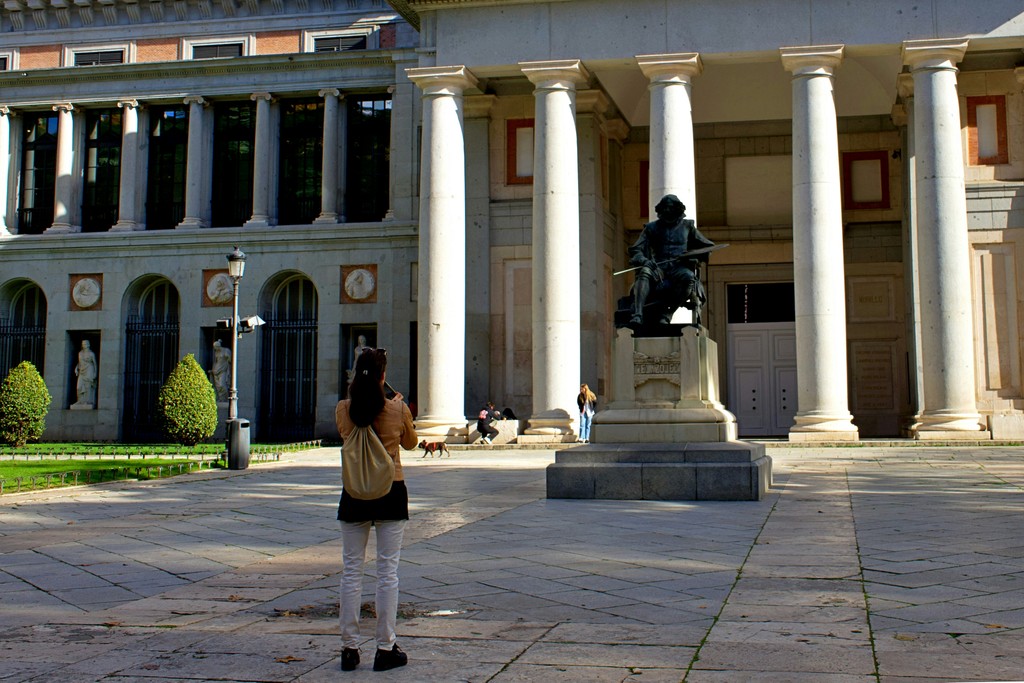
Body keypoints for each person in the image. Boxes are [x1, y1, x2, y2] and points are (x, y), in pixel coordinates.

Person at [335, 347, 417, 672]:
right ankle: (385, 647)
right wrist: (401, 409)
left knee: (351, 572)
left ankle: (348, 648)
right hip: (390, 490)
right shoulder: (396, 408)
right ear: (383, 376)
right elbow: (410, 443)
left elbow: (349, 431)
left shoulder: (344, 409)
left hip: (354, 492)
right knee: (387, 573)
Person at [627, 194, 716, 328]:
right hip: (658, 268)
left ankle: (667, 314)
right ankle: (638, 315)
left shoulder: (688, 226)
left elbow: (707, 246)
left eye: (671, 208)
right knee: (644, 272)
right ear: (660, 210)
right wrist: (644, 260)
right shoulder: (651, 228)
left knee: (689, 277)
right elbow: (636, 249)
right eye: (665, 208)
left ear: (677, 209)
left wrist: (692, 256)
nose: (668, 211)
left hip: (679, 268)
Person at [74, 340, 97, 406]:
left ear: (88, 345)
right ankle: (80, 401)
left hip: (89, 369)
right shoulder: (80, 353)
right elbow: (79, 362)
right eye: (83, 344)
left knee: (88, 386)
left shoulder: (91, 354)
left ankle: (87, 401)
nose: (84, 345)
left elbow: (95, 363)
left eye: (86, 344)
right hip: (82, 370)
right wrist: (76, 368)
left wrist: (95, 373)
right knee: (79, 387)